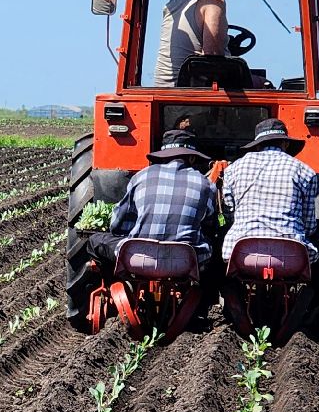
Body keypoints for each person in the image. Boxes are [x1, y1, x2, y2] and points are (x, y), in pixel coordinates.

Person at [76, 129, 223, 301]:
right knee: (214, 247)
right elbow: (210, 225)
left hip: (137, 257)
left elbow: (117, 224)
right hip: (185, 260)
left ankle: (121, 285)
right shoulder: (206, 184)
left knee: (95, 241)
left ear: (162, 156)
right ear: (191, 158)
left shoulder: (141, 177)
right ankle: (204, 303)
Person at [219, 117, 319, 268]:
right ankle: (316, 291)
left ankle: (232, 289)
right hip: (292, 256)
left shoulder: (233, 169)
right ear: (285, 143)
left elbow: (229, 215)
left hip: (241, 254)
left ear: (257, 145)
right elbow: (309, 226)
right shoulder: (305, 171)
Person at [152, 0, 228, 86]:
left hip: (164, 86)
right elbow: (213, 56)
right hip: (189, 85)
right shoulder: (212, 2)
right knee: (262, 83)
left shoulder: (175, 1)